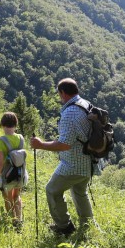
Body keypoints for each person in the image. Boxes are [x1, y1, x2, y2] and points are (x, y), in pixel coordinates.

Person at [30, 78, 99, 236]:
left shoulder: (69, 113)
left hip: (73, 164)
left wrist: (40, 145)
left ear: (62, 93)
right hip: (89, 162)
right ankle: (88, 227)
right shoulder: (85, 104)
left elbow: (64, 145)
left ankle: (64, 227)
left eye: (59, 94)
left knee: (52, 190)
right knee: (80, 192)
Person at [0, 112, 29, 230]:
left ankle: (14, 223)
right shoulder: (20, 138)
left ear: (2, 124)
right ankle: (19, 220)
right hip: (20, 174)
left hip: (7, 175)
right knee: (17, 196)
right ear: (16, 124)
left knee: (8, 198)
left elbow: (0, 164)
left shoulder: (0, 141)